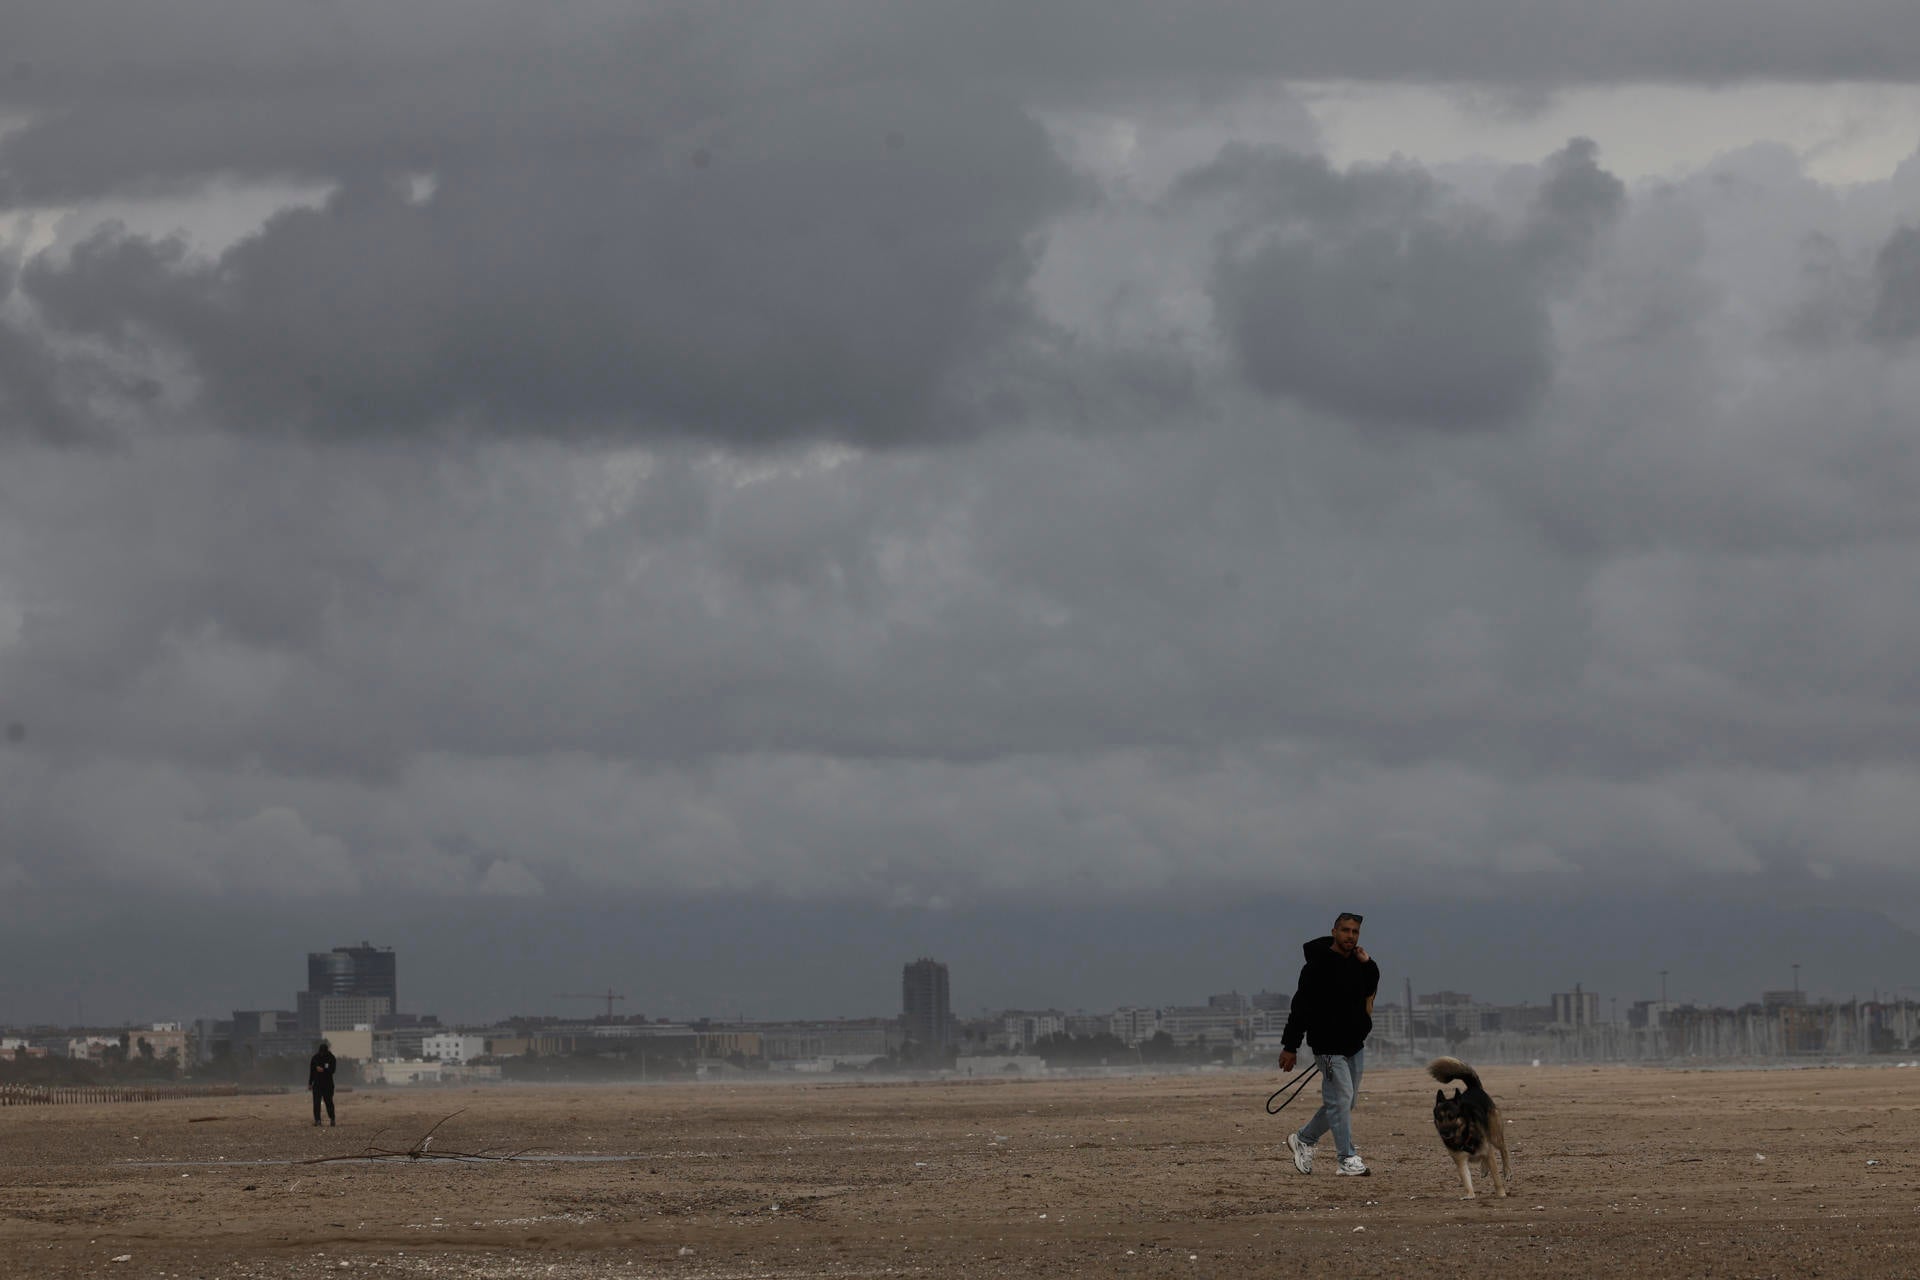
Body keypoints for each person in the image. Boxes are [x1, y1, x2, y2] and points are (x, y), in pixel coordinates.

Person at [1277, 912, 1380, 1177]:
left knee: (1346, 1102)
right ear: (1334, 931)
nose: (1350, 936)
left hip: (1354, 1045)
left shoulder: (1357, 964)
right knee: (1341, 1099)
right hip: (1327, 1047)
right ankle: (1347, 1157)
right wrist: (1290, 1046)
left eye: (1355, 932)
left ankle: (1304, 1139)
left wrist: (1368, 964)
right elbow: (1300, 1009)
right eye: (1345, 930)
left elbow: (1371, 985)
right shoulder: (1316, 966)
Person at [308, 1039, 337, 1127]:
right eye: (321, 1052)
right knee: (316, 1103)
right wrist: (310, 1083)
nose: (322, 1054)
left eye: (323, 1053)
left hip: (328, 1084)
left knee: (329, 1102)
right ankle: (317, 1120)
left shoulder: (331, 1058)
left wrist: (323, 1070)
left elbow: (332, 1070)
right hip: (317, 1084)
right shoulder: (315, 1058)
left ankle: (332, 1119)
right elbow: (312, 1072)